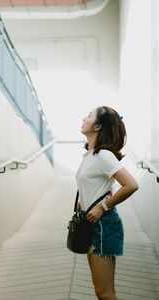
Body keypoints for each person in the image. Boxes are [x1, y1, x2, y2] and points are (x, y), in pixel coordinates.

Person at [76, 106, 138, 300]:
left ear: (98, 127)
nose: (84, 118)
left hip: (103, 226)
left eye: (89, 116)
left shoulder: (104, 155)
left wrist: (102, 207)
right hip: (91, 224)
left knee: (105, 293)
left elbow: (131, 184)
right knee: (99, 291)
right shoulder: (90, 154)